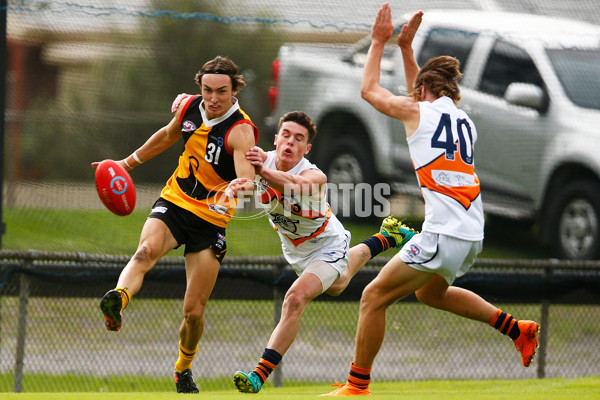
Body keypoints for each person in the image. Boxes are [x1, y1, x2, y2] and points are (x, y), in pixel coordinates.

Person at [321, 4, 540, 396]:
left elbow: (368, 89)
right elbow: (420, 95)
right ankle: (516, 329)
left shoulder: (415, 111)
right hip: (472, 233)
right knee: (430, 293)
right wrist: (406, 51)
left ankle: (357, 386)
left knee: (372, 297)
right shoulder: (464, 121)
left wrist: (379, 42)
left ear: (421, 91)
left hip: (443, 233)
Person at [93, 56, 259, 394]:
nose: (213, 99)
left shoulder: (241, 130)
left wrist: (244, 186)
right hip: (175, 201)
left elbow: (247, 177)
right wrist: (125, 164)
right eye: (207, 90)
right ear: (200, 87)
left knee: (193, 312)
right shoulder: (189, 108)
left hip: (210, 221)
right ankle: (118, 300)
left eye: (221, 92)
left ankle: (183, 369)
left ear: (234, 90)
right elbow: (167, 136)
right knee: (144, 252)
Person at [228, 111, 418, 394]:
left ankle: (259, 375)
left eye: (299, 139)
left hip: (328, 245)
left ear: (307, 148)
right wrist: (237, 186)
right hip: (296, 251)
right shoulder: (259, 158)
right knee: (338, 285)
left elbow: (294, 186)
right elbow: (244, 183)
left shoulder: (314, 174)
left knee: (295, 299)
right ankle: (386, 237)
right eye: (287, 135)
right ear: (277, 138)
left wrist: (260, 172)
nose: (291, 143)